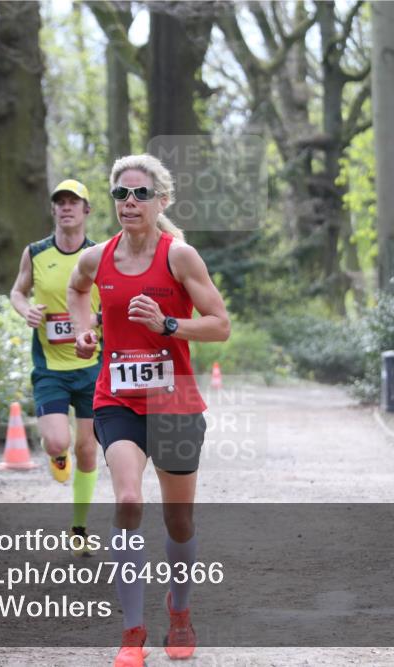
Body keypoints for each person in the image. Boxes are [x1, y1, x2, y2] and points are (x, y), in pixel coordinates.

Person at [67, 155, 231, 666]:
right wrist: (82, 330)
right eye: (121, 195)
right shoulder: (98, 258)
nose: (129, 203)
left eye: (140, 194)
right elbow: (75, 290)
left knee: (178, 521)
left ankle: (178, 613)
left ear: (161, 201)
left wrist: (167, 325)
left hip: (175, 399)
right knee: (129, 501)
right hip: (117, 400)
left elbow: (220, 324)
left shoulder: (179, 257)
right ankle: (132, 632)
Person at [10, 179, 102, 557]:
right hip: (49, 366)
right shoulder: (36, 252)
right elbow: (18, 291)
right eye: (60, 203)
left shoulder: (99, 254)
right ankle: (56, 455)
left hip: (91, 365)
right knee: (58, 443)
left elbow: (113, 298)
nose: (66, 208)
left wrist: (97, 320)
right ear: (53, 210)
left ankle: (79, 529)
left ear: (86, 211)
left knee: (88, 450)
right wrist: (25, 309)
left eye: (73, 202)